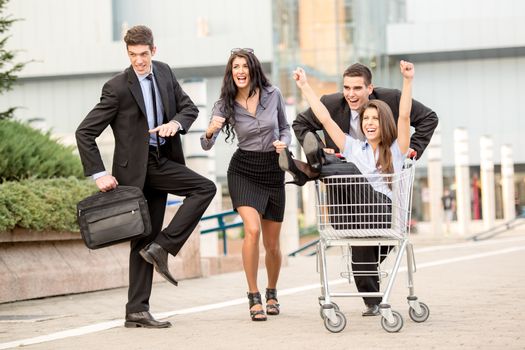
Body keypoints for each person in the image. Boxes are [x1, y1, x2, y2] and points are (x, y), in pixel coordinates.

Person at [75, 25, 216, 328]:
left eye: (143, 54)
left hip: (162, 159)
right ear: (127, 53)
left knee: (200, 191)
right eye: (132, 55)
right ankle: (140, 301)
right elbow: (84, 132)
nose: (138, 60)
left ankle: (157, 257)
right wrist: (99, 174)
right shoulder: (117, 88)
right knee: (153, 229)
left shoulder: (163, 72)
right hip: (135, 171)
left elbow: (188, 108)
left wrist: (175, 124)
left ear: (154, 50)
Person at [288, 60, 415, 317]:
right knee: (361, 262)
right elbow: (324, 117)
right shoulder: (355, 147)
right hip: (353, 216)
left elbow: (404, 116)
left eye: (375, 119)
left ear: (384, 123)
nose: (368, 123)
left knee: (344, 167)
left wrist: (408, 80)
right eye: (366, 118)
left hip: (383, 213)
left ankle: (307, 169)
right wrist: (304, 86)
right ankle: (374, 303)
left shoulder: (395, 150)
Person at [201, 48, 291, 322]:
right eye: (235, 67)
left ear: (253, 70)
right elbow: (205, 144)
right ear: (231, 73)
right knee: (251, 230)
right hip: (243, 170)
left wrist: (285, 143)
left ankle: (272, 291)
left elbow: (285, 127)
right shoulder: (224, 104)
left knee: (272, 244)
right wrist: (210, 129)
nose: (240, 71)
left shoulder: (273, 95)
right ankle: (253, 296)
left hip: (273, 170)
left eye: (244, 66)